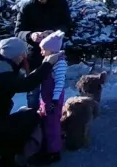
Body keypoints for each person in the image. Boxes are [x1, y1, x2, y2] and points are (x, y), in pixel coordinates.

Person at [0, 38, 62, 167]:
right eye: (23, 54)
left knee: (22, 116)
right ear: (16, 56)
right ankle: (6, 158)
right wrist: (48, 64)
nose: (24, 57)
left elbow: (24, 78)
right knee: (32, 116)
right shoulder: (2, 75)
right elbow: (27, 84)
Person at [16, 0, 73, 109]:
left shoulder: (60, 3)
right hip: (34, 54)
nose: (42, 0)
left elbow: (68, 25)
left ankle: (51, 117)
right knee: (33, 90)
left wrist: (54, 33)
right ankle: (32, 117)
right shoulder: (27, 6)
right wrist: (31, 35)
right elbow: (18, 31)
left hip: (54, 53)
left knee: (54, 87)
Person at [36, 31, 68, 164]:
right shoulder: (49, 60)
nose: (41, 52)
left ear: (52, 50)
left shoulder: (59, 63)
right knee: (46, 122)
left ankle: (54, 151)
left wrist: (55, 100)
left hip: (52, 99)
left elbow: (59, 83)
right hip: (46, 98)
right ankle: (47, 146)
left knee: (52, 124)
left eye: (43, 49)